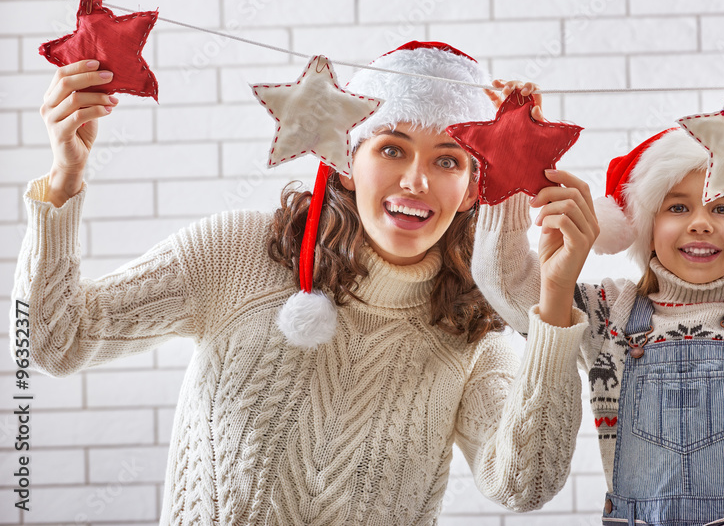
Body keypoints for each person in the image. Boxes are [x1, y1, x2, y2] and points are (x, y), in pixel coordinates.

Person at [11, 41, 593, 525]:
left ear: (472, 189)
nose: (416, 180)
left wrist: (555, 300)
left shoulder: (471, 330)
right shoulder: (238, 253)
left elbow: (523, 484)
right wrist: (66, 176)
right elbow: (56, 340)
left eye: (448, 160)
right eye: (392, 148)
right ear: (346, 159)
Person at [473, 73, 724, 525]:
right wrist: (511, 154)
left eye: (722, 206)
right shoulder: (609, 315)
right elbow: (503, 280)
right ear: (648, 230)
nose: (700, 222)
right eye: (678, 207)